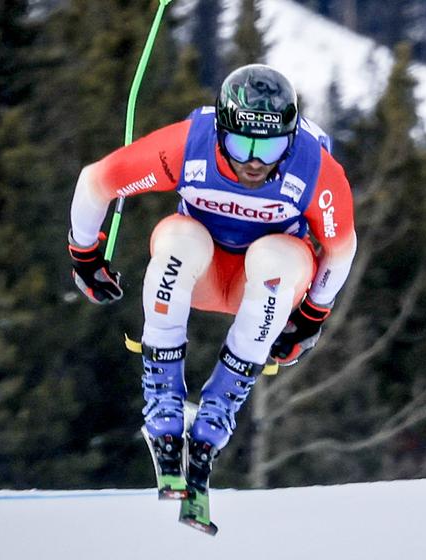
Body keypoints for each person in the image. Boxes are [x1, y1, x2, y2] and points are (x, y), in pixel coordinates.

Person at [66, 64, 357, 490]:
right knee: (179, 240)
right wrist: (85, 252)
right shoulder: (187, 147)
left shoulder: (314, 168)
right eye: (240, 144)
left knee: (272, 256)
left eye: (271, 147)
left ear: (291, 138)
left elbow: (341, 247)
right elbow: (96, 182)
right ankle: (162, 397)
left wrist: (312, 314)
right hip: (199, 271)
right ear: (221, 132)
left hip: (262, 285)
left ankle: (220, 405)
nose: (255, 161)